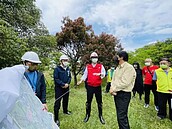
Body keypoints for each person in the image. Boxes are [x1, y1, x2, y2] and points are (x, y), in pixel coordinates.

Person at [77, 52, 106, 124]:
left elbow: (104, 74)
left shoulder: (100, 66)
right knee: (88, 102)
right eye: (93, 57)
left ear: (97, 58)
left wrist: (101, 75)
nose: (94, 59)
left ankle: (100, 116)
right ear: (91, 59)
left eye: (95, 57)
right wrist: (81, 80)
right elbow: (85, 75)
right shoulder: (88, 67)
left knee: (99, 102)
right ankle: (87, 115)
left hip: (97, 87)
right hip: (90, 87)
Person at [110, 51, 136, 129]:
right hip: (117, 93)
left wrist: (113, 89)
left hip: (124, 94)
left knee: (122, 116)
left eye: (117, 56)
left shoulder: (129, 68)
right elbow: (113, 80)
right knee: (119, 115)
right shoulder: (118, 68)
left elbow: (125, 82)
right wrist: (112, 88)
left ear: (121, 57)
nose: (115, 57)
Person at [53, 54, 72, 126]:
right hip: (59, 89)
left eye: (67, 60)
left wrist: (67, 83)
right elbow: (56, 78)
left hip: (66, 87)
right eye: (64, 60)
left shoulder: (67, 69)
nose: (66, 62)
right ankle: (56, 118)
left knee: (66, 100)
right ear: (61, 61)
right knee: (57, 102)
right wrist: (62, 84)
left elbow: (70, 77)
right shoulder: (57, 69)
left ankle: (65, 111)